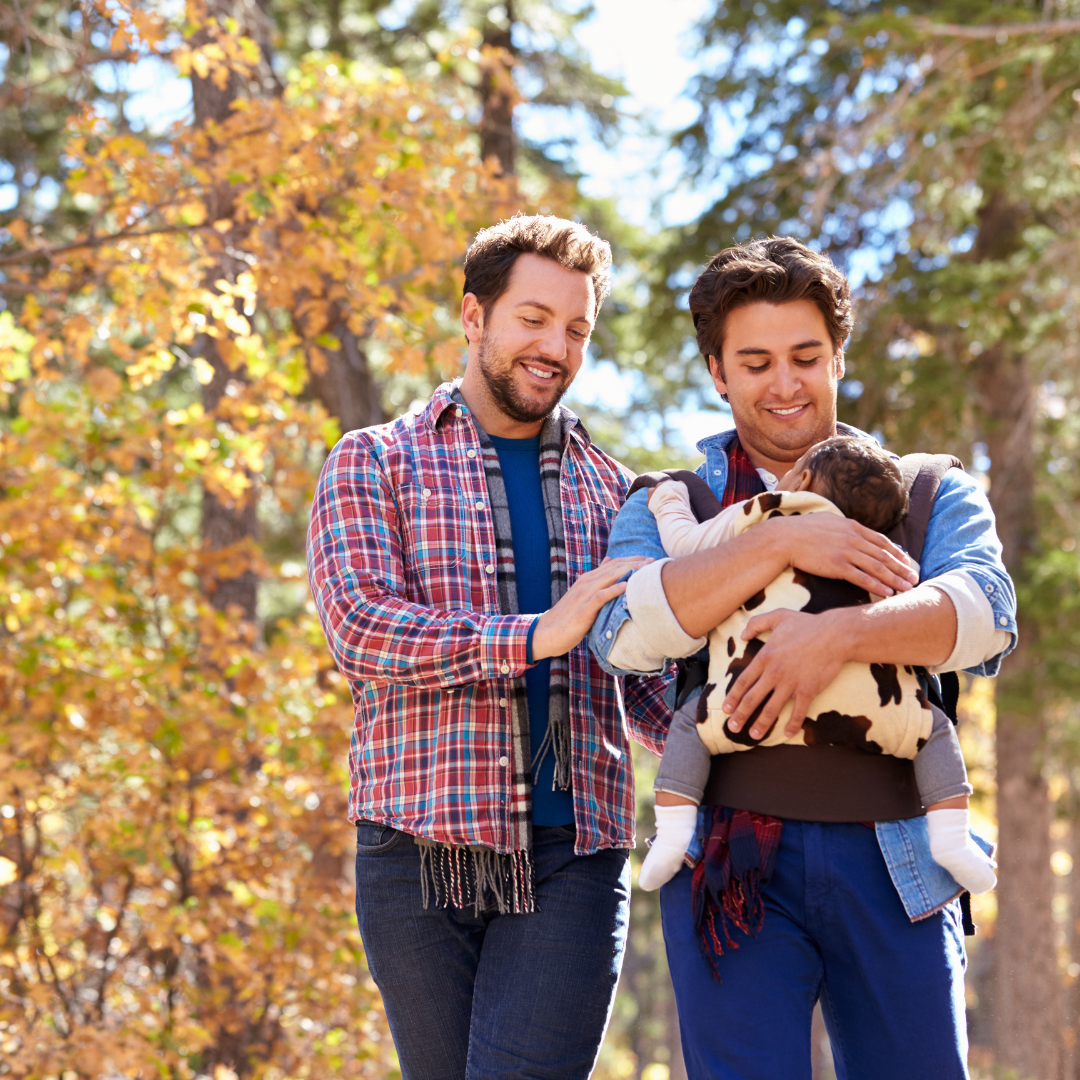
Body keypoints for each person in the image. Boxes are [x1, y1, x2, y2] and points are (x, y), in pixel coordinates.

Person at [590, 236, 1016, 1080]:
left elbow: (984, 618)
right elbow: (628, 636)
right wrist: (782, 535)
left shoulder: (925, 489)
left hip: (900, 856)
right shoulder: (674, 501)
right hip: (732, 866)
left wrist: (838, 637)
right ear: (717, 371)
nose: (784, 384)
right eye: (755, 362)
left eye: (805, 357)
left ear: (838, 358)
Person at [307, 214, 671, 1080]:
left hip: (572, 855)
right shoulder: (373, 463)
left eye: (577, 329)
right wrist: (534, 636)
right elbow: (360, 627)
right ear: (474, 318)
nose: (557, 346)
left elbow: (652, 685)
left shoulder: (619, 492)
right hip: (415, 852)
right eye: (534, 319)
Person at [637, 435, 996, 896]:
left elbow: (685, 547)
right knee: (937, 733)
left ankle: (671, 838)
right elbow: (926, 598)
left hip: (748, 699)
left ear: (801, 479)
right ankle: (951, 842)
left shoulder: (761, 515)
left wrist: (668, 497)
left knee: (688, 727)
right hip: (880, 709)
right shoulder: (879, 548)